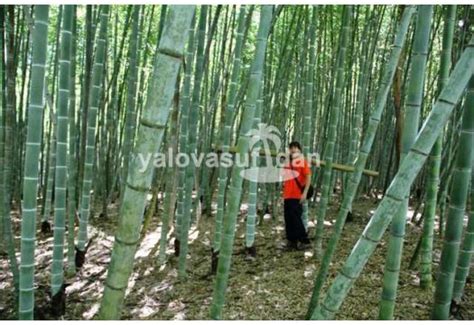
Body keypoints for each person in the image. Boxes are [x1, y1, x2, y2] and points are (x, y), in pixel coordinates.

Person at [282, 141, 311, 250]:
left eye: (296, 148)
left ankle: (304, 241)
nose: (294, 150)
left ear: (299, 150)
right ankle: (291, 242)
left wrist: (304, 193)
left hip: (297, 195)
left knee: (296, 219)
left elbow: (308, 177)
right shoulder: (287, 162)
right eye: (292, 148)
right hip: (287, 195)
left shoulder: (302, 161)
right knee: (288, 219)